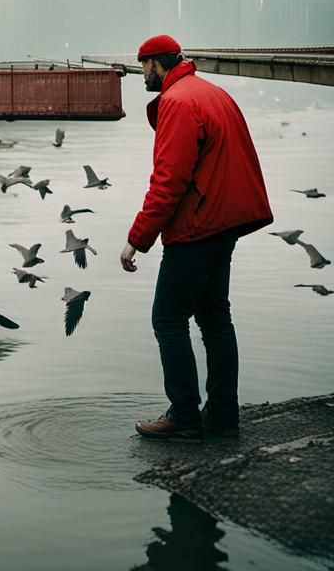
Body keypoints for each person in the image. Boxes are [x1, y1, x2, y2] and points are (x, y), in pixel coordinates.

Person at [122, 34, 272, 441]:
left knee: (167, 319)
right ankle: (223, 415)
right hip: (225, 223)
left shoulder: (177, 101)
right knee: (215, 319)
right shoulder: (212, 93)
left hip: (196, 227)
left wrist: (137, 238)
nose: (142, 74)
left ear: (157, 63)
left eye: (142, 66)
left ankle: (184, 416)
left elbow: (169, 181)